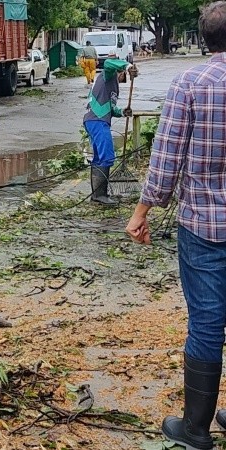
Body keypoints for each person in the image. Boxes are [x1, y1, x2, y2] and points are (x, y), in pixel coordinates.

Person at [125, 2, 226, 449]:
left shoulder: (191, 81)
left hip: (204, 224)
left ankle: (196, 431)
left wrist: (142, 212)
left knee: (206, 322)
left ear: (204, 38)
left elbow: (166, 160)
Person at [83, 57, 136, 205]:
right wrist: (128, 65)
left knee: (100, 157)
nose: (125, 78)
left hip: (98, 120)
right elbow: (107, 63)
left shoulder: (113, 86)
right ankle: (100, 195)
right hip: (97, 120)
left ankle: (98, 195)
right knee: (107, 155)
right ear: (120, 72)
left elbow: (110, 108)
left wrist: (122, 112)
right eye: (125, 75)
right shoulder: (108, 75)